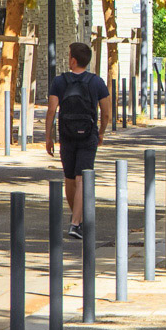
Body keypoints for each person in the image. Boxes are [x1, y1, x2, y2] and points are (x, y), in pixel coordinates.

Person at [46, 42, 112, 239]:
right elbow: (107, 113)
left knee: (69, 178)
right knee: (82, 178)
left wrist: (48, 137)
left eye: (68, 56)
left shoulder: (59, 81)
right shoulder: (97, 82)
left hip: (67, 135)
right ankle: (76, 222)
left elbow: (51, 111)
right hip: (88, 135)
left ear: (73, 60)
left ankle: (76, 219)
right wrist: (101, 132)